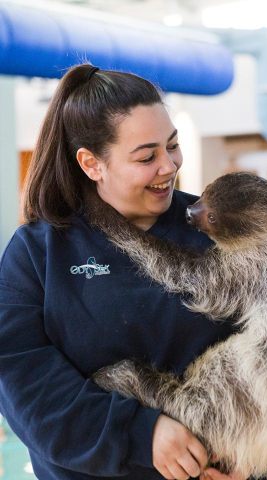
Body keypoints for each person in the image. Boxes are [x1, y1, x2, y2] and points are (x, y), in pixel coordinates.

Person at [0, 64, 240, 480]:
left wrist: (252, 459)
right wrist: (140, 435)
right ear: (92, 164)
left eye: (173, 145)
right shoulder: (39, 251)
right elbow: (26, 385)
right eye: (146, 157)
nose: (168, 166)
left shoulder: (220, 230)